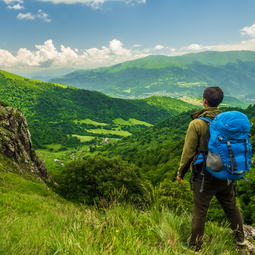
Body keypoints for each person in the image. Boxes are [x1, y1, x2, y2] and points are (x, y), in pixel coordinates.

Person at [176, 87, 245, 251]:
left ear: (204, 101)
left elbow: (188, 152)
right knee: (231, 207)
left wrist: (181, 173)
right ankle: (240, 242)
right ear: (220, 101)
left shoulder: (197, 123)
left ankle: (195, 246)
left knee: (200, 211)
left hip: (204, 176)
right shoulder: (228, 122)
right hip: (228, 173)